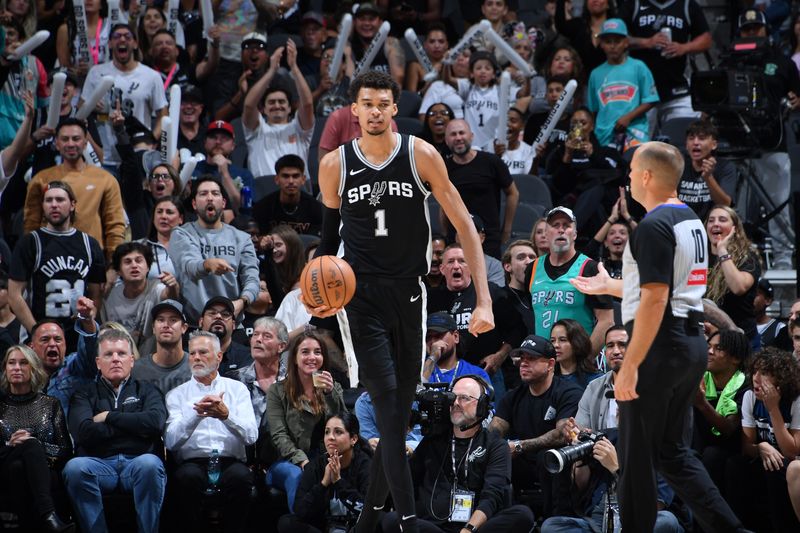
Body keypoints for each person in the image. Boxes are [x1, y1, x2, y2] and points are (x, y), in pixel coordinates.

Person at [311, 71, 494, 533]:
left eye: (383, 103)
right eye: (366, 103)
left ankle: (367, 525)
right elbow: (328, 242)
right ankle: (410, 524)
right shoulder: (335, 164)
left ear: (395, 109)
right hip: (361, 296)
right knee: (389, 398)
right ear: (353, 109)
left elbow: (464, 226)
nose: (374, 111)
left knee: (397, 413)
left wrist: (484, 299)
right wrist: (314, 294)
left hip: (411, 294)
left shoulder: (421, 155)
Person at [569, 141, 745, 532]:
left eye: (632, 170)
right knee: (672, 453)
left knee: (635, 460)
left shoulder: (652, 226)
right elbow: (665, 286)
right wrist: (610, 286)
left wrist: (629, 365)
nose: (629, 177)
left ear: (646, 176)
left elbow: (655, 298)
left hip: (659, 347)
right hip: (689, 345)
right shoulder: (689, 220)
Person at [382, 375, 535, 533]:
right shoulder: (433, 441)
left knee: (523, 515)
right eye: (452, 398)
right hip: (433, 527)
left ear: (482, 405)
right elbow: (404, 483)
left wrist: (469, 529)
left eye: (464, 398)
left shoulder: (495, 446)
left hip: (475, 529)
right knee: (392, 520)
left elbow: (492, 496)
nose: (455, 403)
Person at [62, 329, 167, 533]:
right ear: (98, 362)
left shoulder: (147, 390)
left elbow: (155, 423)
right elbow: (83, 432)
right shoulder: (84, 394)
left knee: (150, 464)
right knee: (75, 467)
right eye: (109, 354)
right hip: (99, 465)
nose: (116, 359)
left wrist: (109, 417)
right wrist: (134, 428)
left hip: (138, 463)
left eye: (121, 353)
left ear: (132, 360)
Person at [164, 330, 259, 533]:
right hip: (192, 463)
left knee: (241, 478)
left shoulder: (238, 389)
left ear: (219, 357)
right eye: (193, 353)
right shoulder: (176, 395)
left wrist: (226, 416)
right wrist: (197, 414)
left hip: (230, 461)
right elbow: (171, 442)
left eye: (203, 352)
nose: (196, 357)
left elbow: (251, 436)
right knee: (186, 478)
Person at [488, 335, 582, 517]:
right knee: (495, 458)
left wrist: (521, 446)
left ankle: (554, 521)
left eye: (531, 359)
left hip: (557, 464)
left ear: (550, 364)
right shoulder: (512, 396)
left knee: (548, 458)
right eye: (522, 359)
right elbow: (494, 431)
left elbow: (564, 434)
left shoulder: (568, 392)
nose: (523, 364)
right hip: (523, 462)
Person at [10, 181, 106, 345]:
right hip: (40, 335)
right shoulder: (30, 242)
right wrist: (37, 332)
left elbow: (97, 295)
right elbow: (14, 295)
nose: (54, 205)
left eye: (60, 200)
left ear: (72, 205)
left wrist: (89, 318)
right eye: (48, 200)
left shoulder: (90, 244)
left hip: (78, 337)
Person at [22, 119, 126, 263]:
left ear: (85, 143)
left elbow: (115, 225)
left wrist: (114, 265)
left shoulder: (106, 179)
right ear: (57, 143)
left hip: (93, 260)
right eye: (65, 139)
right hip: (49, 259)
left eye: (76, 139)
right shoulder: (41, 179)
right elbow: (30, 225)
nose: (71, 144)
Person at [265, 331, 347, 512]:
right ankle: (299, 524)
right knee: (298, 476)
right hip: (288, 461)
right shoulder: (277, 391)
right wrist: (302, 461)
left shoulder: (334, 389)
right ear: (294, 358)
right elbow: (279, 436)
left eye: (317, 352)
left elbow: (344, 427)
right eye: (305, 352)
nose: (312, 357)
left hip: (325, 458)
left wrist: (330, 394)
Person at [0, 345, 74, 532]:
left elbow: (65, 449)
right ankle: (48, 515)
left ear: (32, 368)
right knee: (22, 454)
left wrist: (36, 446)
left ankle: (24, 526)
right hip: (4, 466)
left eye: (23, 363)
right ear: (5, 369)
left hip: (45, 470)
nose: (17, 367)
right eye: (12, 363)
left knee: (22, 463)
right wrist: (11, 444)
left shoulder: (50, 405)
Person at [169, 175, 260, 325]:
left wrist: (242, 302)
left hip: (231, 323)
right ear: (194, 203)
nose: (210, 198)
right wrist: (207, 265)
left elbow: (252, 279)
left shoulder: (242, 238)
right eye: (203, 194)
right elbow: (189, 266)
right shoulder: (181, 234)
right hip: (193, 325)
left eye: (215, 193)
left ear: (223, 203)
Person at [727, 347, 800, 531]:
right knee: (735, 464)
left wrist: (773, 409)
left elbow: (792, 452)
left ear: (781, 378)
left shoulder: (796, 401)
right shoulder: (750, 396)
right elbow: (747, 446)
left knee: (776, 466)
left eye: (765, 373)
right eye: (755, 371)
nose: (756, 378)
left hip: (789, 464)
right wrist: (761, 447)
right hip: (765, 458)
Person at [525, 206, 614, 356]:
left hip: (579, 360)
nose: (561, 230)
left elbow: (606, 321)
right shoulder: (532, 269)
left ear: (575, 234)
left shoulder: (590, 268)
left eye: (567, 226)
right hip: (545, 361)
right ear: (546, 234)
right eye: (555, 225)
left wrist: (586, 359)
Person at [80, 23, 168, 172]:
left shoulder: (151, 76)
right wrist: (91, 106)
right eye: (116, 36)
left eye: (127, 36)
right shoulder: (96, 73)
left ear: (135, 44)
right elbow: (80, 112)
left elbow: (163, 115)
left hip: (138, 154)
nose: (122, 40)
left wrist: (151, 139)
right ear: (109, 44)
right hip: (103, 157)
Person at [619, 0, 711, 132]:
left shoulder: (687, 4)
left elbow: (706, 39)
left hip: (677, 88)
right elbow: (618, 38)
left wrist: (684, 47)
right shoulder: (633, 4)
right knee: (642, 148)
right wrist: (646, 42)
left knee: (683, 137)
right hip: (641, 93)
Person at [278, 412, 372, 533]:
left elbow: (369, 510)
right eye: (327, 432)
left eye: (338, 432)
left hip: (356, 529)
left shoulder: (365, 465)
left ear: (353, 439)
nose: (330, 437)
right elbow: (300, 511)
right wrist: (323, 483)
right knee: (287, 522)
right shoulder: (316, 466)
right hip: (325, 528)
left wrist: (338, 481)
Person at [443, 119, 520, 258]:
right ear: (446, 140)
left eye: (462, 133)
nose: (458, 138)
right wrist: (445, 233)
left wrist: (506, 230)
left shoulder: (492, 161)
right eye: (453, 134)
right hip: (456, 238)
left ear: (471, 136)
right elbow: (443, 203)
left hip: (489, 238)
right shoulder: (443, 167)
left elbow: (513, 193)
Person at [243, 38, 315, 177]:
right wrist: (271, 71)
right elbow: (248, 105)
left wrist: (294, 68)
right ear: (263, 109)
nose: (277, 105)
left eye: (282, 102)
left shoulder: (299, 129)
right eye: (271, 102)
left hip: (297, 190)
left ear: (290, 108)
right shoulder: (257, 130)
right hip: (264, 191)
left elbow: (307, 104)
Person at [692, 329, 749, 500]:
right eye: (709, 346)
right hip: (698, 448)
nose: (709, 351)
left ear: (736, 358)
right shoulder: (699, 378)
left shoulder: (746, 385)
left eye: (719, 348)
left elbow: (729, 429)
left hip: (730, 451)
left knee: (713, 455)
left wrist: (702, 403)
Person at [586, 19, 659, 151]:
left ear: (626, 42)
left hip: (634, 132)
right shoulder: (595, 74)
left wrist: (628, 117)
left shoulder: (638, 67)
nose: (612, 46)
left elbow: (651, 99)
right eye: (608, 42)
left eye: (617, 41)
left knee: (635, 168)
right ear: (601, 44)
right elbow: (593, 110)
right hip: (604, 135)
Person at [229, 317, 287, 471]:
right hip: (241, 459)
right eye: (255, 335)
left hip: (282, 458)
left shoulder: (294, 382)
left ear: (281, 346)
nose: (258, 340)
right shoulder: (234, 380)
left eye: (267, 336)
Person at [24, 301, 98, 417]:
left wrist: (87, 320)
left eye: (58, 339)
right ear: (31, 347)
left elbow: (90, 348)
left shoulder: (76, 366)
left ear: (65, 344)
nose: (53, 344)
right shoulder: (22, 375)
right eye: (45, 340)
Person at [101, 241, 179, 352]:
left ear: (148, 267)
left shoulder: (156, 288)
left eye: (139, 260)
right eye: (127, 262)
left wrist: (173, 285)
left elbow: (170, 296)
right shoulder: (110, 295)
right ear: (119, 271)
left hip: (150, 362)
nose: (134, 265)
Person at [706, 205, 761, 345]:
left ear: (735, 229)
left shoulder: (748, 257)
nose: (715, 224)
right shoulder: (699, 256)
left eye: (722, 220)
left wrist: (722, 251)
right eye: (711, 220)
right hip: (708, 339)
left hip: (741, 340)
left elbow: (738, 287)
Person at [678, 120, 737, 222]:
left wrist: (708, 177)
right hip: (683, 225)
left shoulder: (725, 167)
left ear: (714, 145)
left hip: (711, 226)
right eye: (691, 138)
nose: (695, 143)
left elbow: (725, 205)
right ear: (686, 144)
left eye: (701, 138)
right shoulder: (679, 166)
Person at [130, 299, 190, 395]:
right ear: (153, 328)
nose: (166, 325)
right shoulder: (137, 370)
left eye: (173, 320)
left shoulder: (196, 367)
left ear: (184, 328)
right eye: (161, 320)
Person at [252, 154, 323, 236]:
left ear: (303, 179)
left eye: (295, 176)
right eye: (285, 176)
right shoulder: (262, 207)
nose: (291, 181)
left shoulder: (316, 209)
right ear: (277, 179)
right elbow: (259, 238)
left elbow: (316, 241)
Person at [192, 120, 255, 211]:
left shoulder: (244, 174)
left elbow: (241, 209)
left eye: (224, 138)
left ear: (233, 145)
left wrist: (225, 174)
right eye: (213, 137)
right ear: (205, 142)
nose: (218, 142)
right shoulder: (192, 169)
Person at [422, 311, 491, 385]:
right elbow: (413, 392)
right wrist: (433, 357)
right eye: (428, 337)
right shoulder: (417, 371)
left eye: (438, 335)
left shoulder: (476, 374)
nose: (433, 342)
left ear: (455, 337)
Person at [199, 296, 253, 375]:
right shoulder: (190, 356)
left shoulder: (248, 357)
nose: (218, 316)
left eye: (225, 314)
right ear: (201, 322)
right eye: (212, 313)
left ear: (233, 325)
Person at [550, 318, 602, 390]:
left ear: (577, 342)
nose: (556, 345)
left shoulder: (596, 380)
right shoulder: (547, 380)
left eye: (563, 340)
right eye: (552, 340)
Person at [501, 239, 537, 335]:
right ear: (508, 266)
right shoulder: (499, 298)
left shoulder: (544, 296)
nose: (528, 261)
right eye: (521, 258)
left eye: (532, 257)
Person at [755, 279, 785, 348]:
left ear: (768, 300)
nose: (750, 297)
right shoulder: (738, 326)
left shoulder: (779, 329)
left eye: (755, 294)